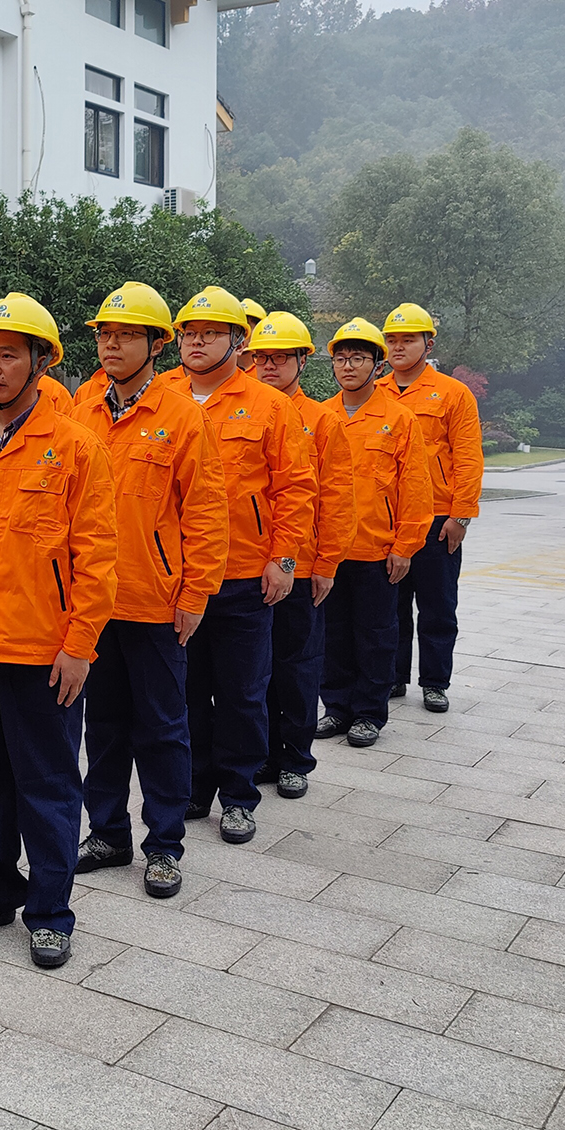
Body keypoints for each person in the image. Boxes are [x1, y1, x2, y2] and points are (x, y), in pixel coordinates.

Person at [0, 293, 115, 970]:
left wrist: (79, 646)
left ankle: (51, 909)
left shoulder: (74, 447)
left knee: (48, 782)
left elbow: (98, 556)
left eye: (10, 354)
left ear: (42, 362)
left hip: (43, 650)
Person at [71, 283, 227, 897]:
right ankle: (108, 833)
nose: (111, 344)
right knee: (101, 725)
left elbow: (207, 512)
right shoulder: (82, 407)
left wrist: (194, 596)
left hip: (154, 601)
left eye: (127, 334)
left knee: (163, 726)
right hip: (92, 603)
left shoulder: (182, 415)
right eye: (105, 334)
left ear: (157, 344)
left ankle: (164, 844)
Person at [173, 286, 316, 844]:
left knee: (241, 691)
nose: (198, 341)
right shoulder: (163, 397)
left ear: (238, 341)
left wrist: (283, 560)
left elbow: (295, 489)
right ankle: (193, 785)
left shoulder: (269, 406)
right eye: (190, 332)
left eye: (211, 333)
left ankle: (237, 796)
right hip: (178, 577)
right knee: (186, 692)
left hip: (242, 576)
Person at [246, 313, 353, 798]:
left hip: (301, 564)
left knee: (296, 665)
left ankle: (295, 757)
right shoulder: (243, 411)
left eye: (281, 357)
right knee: (251, 673)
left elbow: (334, 497)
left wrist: (327, 563)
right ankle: (258, 756)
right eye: (262, 357)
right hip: (248, 564)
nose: (269, 365)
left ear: (302, 361)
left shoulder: (323, 420)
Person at [317, 319, 433, 749]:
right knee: (332, 633)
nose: (348, 366)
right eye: (341, 358)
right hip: (329, 551)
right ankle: (336, 707)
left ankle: (369, 712)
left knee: (376, 634)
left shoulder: (398, 420)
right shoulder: (320, 415)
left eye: (359, 358)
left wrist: (405, 546)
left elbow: (416, 489)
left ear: (377, 364)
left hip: (376, 549)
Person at [382, 303, 483, 712]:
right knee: (391, 606)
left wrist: (460, 516)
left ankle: (435, 681)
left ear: (428, 343)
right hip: (389, 517)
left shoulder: (453, 394)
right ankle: (392, 677)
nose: (399, 347)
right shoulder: (378, 391)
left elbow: (468, 457)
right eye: (392, 340)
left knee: (438, 603)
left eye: (408, 339)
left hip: (439, 517)